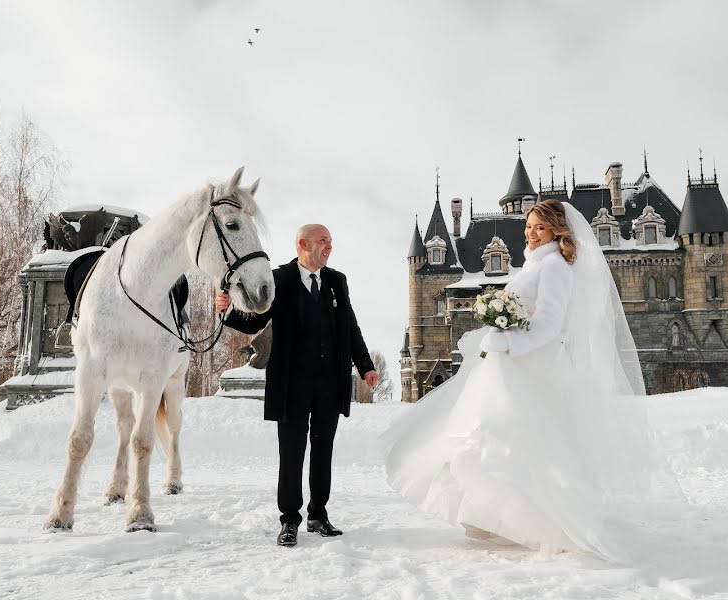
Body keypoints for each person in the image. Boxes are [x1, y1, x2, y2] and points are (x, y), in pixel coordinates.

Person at [381, 200, 683, 562]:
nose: (531, 233)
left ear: (558, 230)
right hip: (511, 364)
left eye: (539, 227)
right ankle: (495, 517)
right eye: (528, 226)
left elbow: (548, 328)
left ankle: (544, 523)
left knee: (519, 444)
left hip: (529, 366)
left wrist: (505, 340)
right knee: (495, 441)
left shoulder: (556, 268)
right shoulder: (537, 264)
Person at [218, 224, 379, 547]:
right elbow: (255, 320)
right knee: (291, 453)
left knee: (323, 451)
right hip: (292, 384)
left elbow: (350, 327)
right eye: (323, 240)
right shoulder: (280, 280)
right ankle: (290, 520)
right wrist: (226, 310)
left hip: (330, 384)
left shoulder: (336, 282)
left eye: (331, 241)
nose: (329, 245)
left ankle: (318, 515)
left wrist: (366, 367)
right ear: (303, 244)